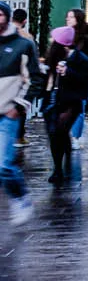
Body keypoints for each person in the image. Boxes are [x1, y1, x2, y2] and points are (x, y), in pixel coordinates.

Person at [43, 27, 88, 184]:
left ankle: (58, 169)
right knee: (55, 133)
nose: (51, 42)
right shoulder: (54, 57)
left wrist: (67, 72)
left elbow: (85, 81)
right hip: (53, 100)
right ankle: (63, 159)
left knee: (58, 131)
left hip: (71, 102)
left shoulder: (81, 59)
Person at [0, 11, 40, 201]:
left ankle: (20, 197)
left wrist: (18, 106)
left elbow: (34, 78)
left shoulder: (23, 44)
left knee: (5, 165)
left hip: (7, 111)